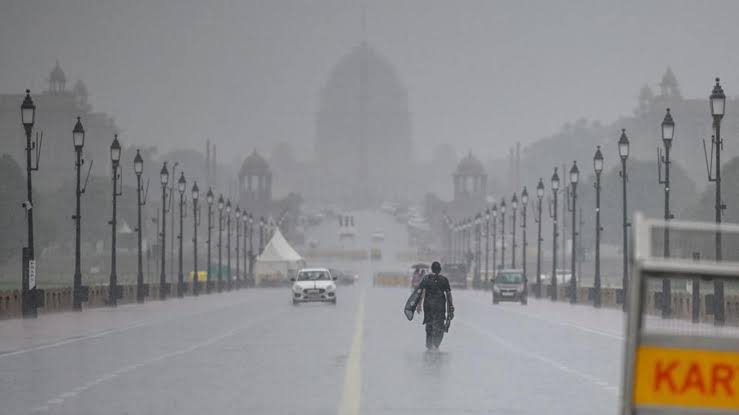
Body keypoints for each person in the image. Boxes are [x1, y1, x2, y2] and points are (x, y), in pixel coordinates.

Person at [416, 261, 454, 350]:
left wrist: (419, 304)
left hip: (428, 305)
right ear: (440, 270)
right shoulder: (444, 280)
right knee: (440, 324)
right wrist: (451, 306)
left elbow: (422, 292)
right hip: (440, 306)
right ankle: (436, 343)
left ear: (432, 269)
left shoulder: (427, 279)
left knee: (429, 324)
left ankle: (429, 343)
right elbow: (448, 294)